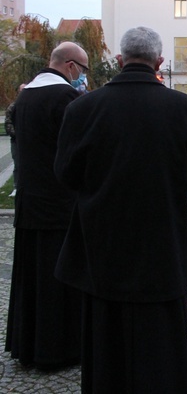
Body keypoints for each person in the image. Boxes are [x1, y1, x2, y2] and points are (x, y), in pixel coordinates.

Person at [54, 27, 187, 392]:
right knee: (161, 330)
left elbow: (65, 173)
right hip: (161, 239)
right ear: (159, 62)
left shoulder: (82, 108)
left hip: (102, 239)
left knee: (105, 325)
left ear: (119, 60)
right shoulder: (184, 108)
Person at [5, 43, 87, 369]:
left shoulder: (26, 97)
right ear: (69, 65)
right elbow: (77, 153)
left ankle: (30, 346)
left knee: (32, 279)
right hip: (59, 206)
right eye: (82, 68)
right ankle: (59, 350)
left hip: (30, 201)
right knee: (58, 280)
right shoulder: (64, 98)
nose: (82, 75)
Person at [4, 83, 24, 197]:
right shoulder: (13, 107)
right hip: (17, 140)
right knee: (18, 164)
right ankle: (16, 186)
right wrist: (17, 135)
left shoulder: (31, 106)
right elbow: (8, 123)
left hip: (30, 141)